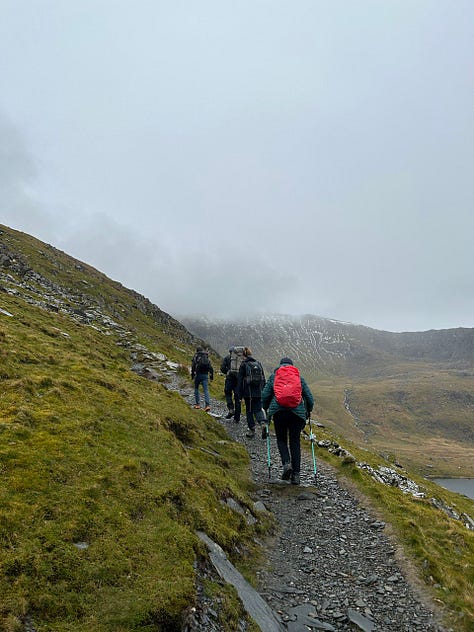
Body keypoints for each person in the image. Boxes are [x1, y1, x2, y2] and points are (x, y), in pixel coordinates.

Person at [261, 357, 314, 485]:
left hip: (279, 413)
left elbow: (265, 396)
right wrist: (308, 411)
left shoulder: (275, 377)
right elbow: (309, 398)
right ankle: (296, 475)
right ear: (292, 366)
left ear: (280, 366)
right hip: (297, 414)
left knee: (281, 439)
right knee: (295, 442)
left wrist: (266, 410)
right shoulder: (299, 378)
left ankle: (286, 464)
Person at [237, 346, 266, 438]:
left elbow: (240, 381)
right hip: (258, 392)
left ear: (244, 355)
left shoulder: (244, 365)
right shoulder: (258, 363)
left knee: (249, 411)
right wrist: (263, 391)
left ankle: (252, 430)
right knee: (258, 409)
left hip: (248, 393)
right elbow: (263, 379)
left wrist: (239, 395)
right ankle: (263, 423)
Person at [220, 347, 242, 422]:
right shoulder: (240, 358)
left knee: (227, 393)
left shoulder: (227, 357)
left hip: (230, 379)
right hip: (239, 380)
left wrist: (227, 371)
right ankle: (237, 418)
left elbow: (222, 368)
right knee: (237, 397)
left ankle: (231, 408)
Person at [191, 346, 214, 411]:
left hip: (198, 375)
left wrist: (192, 375)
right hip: (205, 375)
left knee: (196, 388)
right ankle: (207, 406)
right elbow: (211, 368)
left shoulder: (196, 356)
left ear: (197, 351)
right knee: (206, 390)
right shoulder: (206, 357)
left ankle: (198, 405)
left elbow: (193, 366)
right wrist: (211, 376)